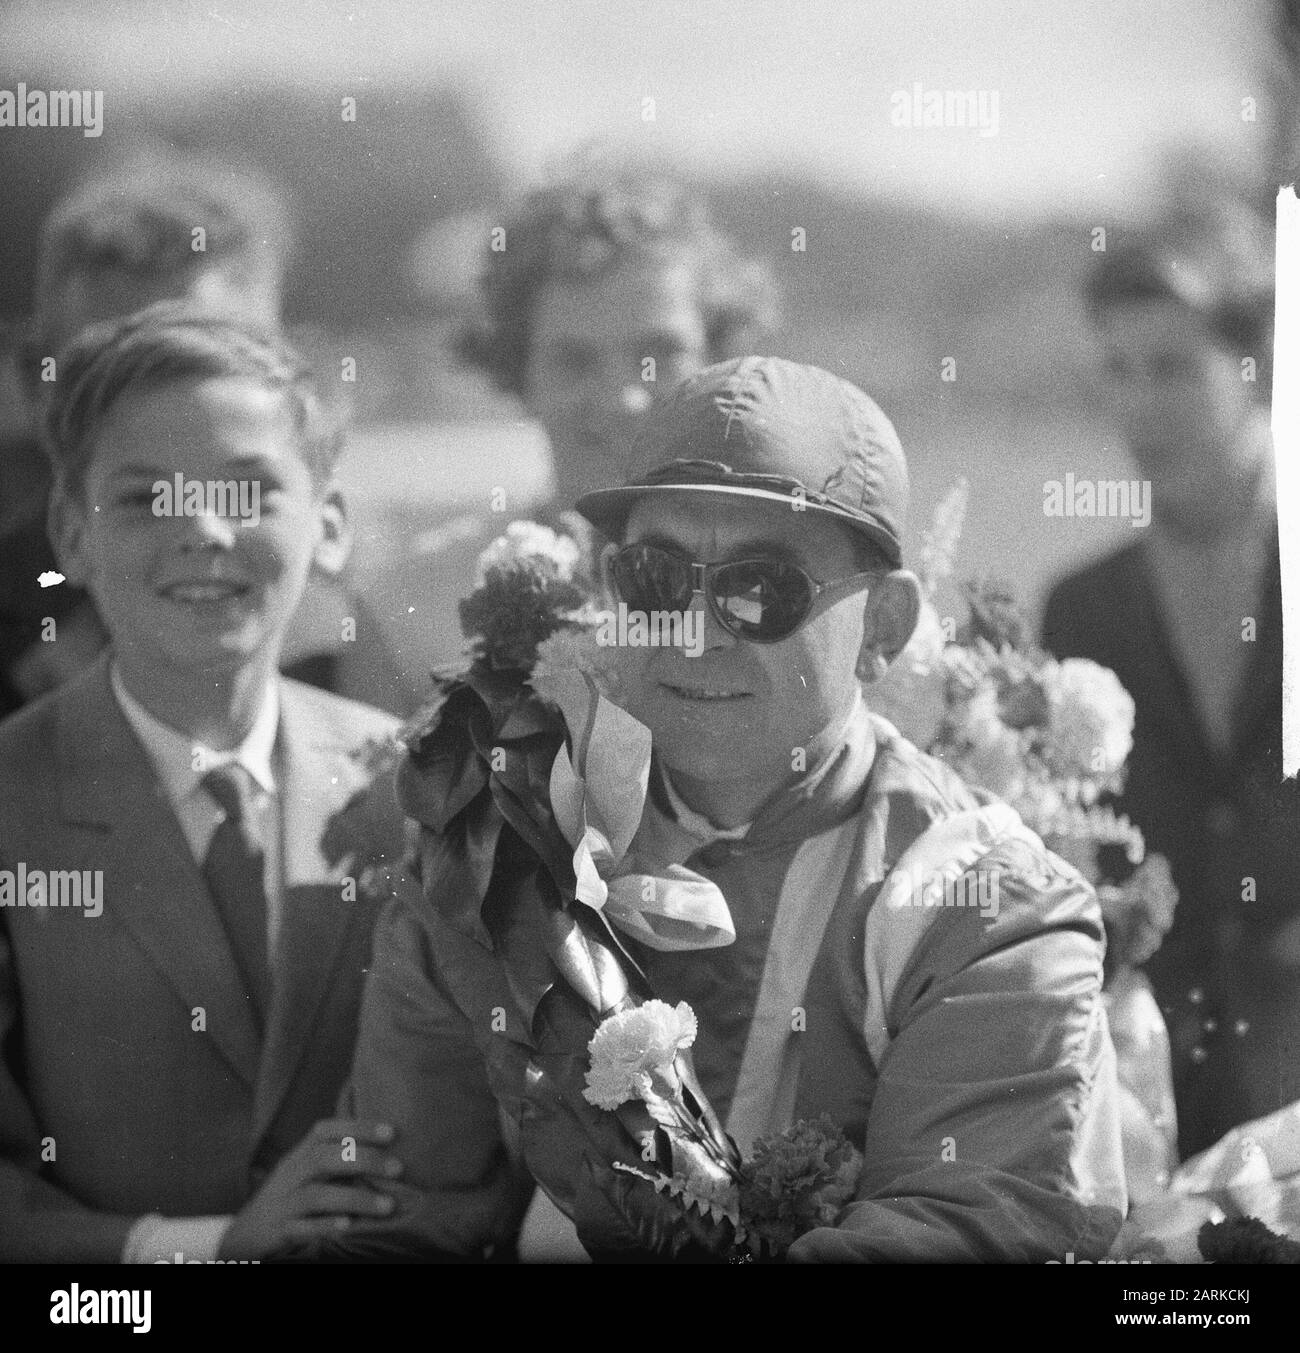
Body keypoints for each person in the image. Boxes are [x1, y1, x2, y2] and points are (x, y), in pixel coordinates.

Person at [339, 356, 1127, 1262]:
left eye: (763, 587)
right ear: (609, 592)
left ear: (883, 630)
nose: (700, 631)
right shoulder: (495, 844)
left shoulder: (993, 908)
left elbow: (959, 1229)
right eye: (658, 580)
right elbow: (401, 1220)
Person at [0, 304, 418, 1262]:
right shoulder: (11, 805)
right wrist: (204, 1247)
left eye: (247, 490)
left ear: (331, 526)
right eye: (145, 498)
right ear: (71, 532)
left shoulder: (412, 784)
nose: (200, 529)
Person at [1042, 206, 1296, 1159]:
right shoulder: (1082, 609)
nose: (1140, 405)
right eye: (1118, 369)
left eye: (1176, 368)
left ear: (1258, 368)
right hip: (1163, 1101)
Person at [0, 146, 410, 720]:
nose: (177, 414)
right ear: (36, 380)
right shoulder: (20, 605)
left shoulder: (366, 608)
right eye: (114, 376)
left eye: (217, 370)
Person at [370, 156, 779, 682]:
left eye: (659, 353)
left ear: (719, 360)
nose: (623, 400)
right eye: (574, 360)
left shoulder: (790, 590)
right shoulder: (411, 608)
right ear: (516, 371)